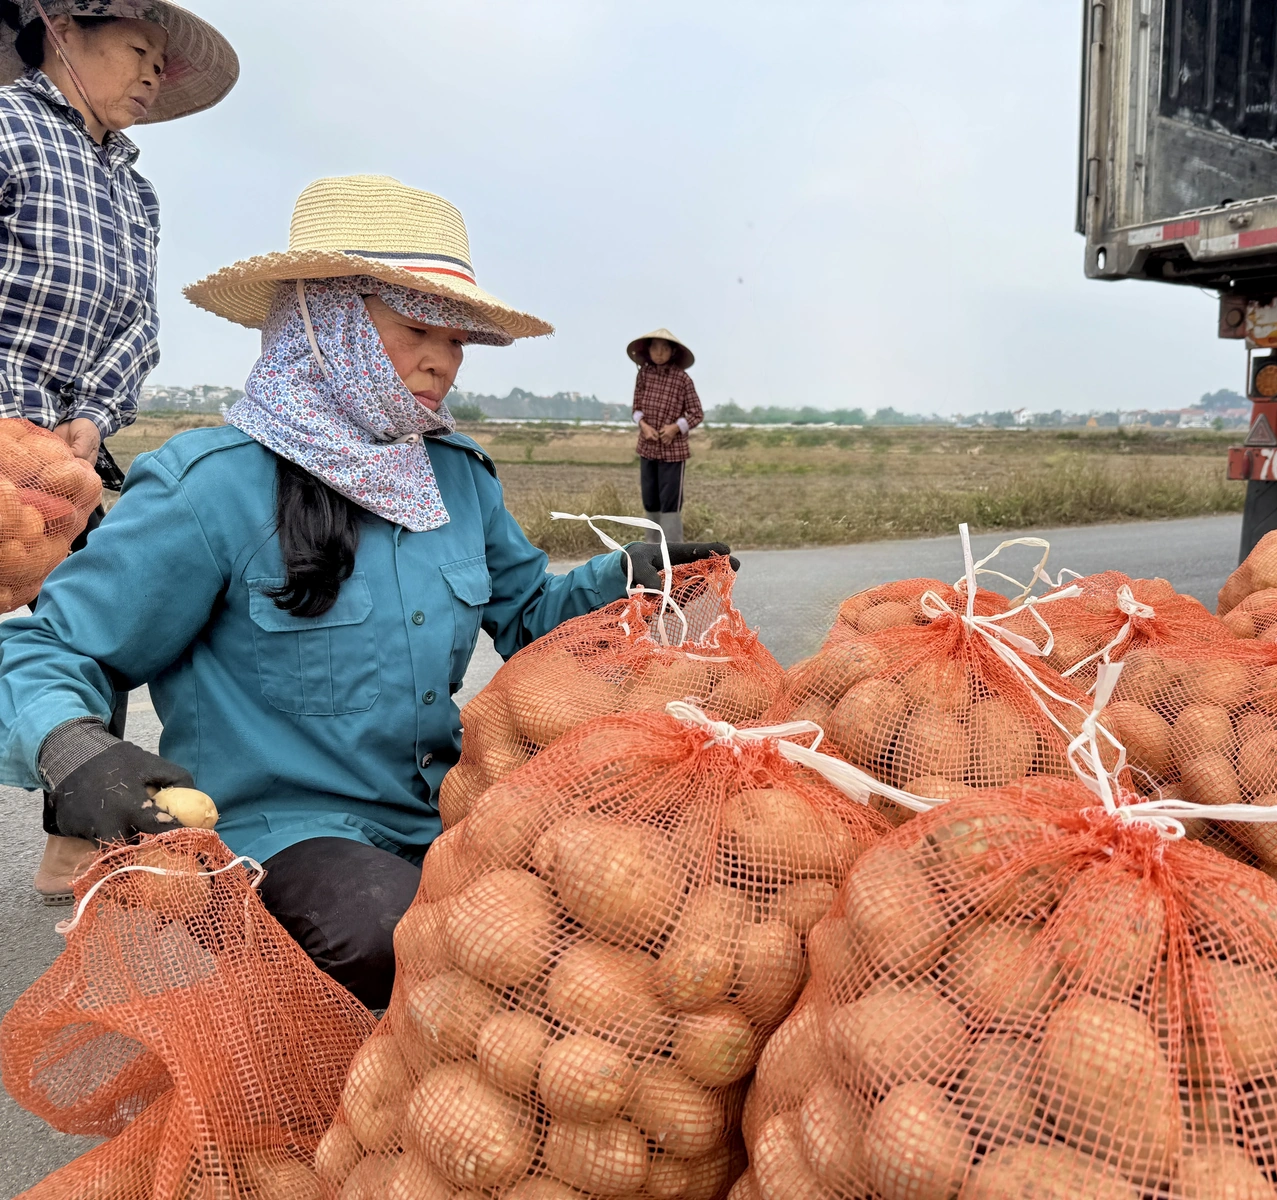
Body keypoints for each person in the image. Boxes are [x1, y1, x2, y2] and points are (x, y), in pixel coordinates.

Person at [0, 175, 733, 1007]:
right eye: (416, 328)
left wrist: (632, 579)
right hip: (274, 837)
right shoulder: (210, 487)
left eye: (456, 339)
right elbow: (51, 649)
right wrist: (75, 752)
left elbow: (533, 619)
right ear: (326, 321)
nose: (443, 360)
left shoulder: (456, 478)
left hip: (441, 814)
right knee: (396, 936)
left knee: (626, 911)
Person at [0, 0, 238, 901]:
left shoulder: (135, 190)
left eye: (161, 63)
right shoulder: (8, 130)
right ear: (64, 29)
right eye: (138, 49)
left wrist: (94, 418)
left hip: (67, 457)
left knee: (89, 630)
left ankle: (75, 838)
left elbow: (139, 323)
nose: (152, 74)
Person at [627, 327, 703, 542]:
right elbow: (636, 409)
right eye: (655, 348)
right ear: (648, 350)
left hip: (673, 451)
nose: (659, 353)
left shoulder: (682, 379)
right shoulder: (644, 374)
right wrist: (644, 426)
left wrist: (675, 428)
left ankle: (673, 550)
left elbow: (697, 413)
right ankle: (652, 550)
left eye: (664, 348)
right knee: (650, 498)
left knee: (670, 501)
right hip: (647, 446)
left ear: (673, 352)